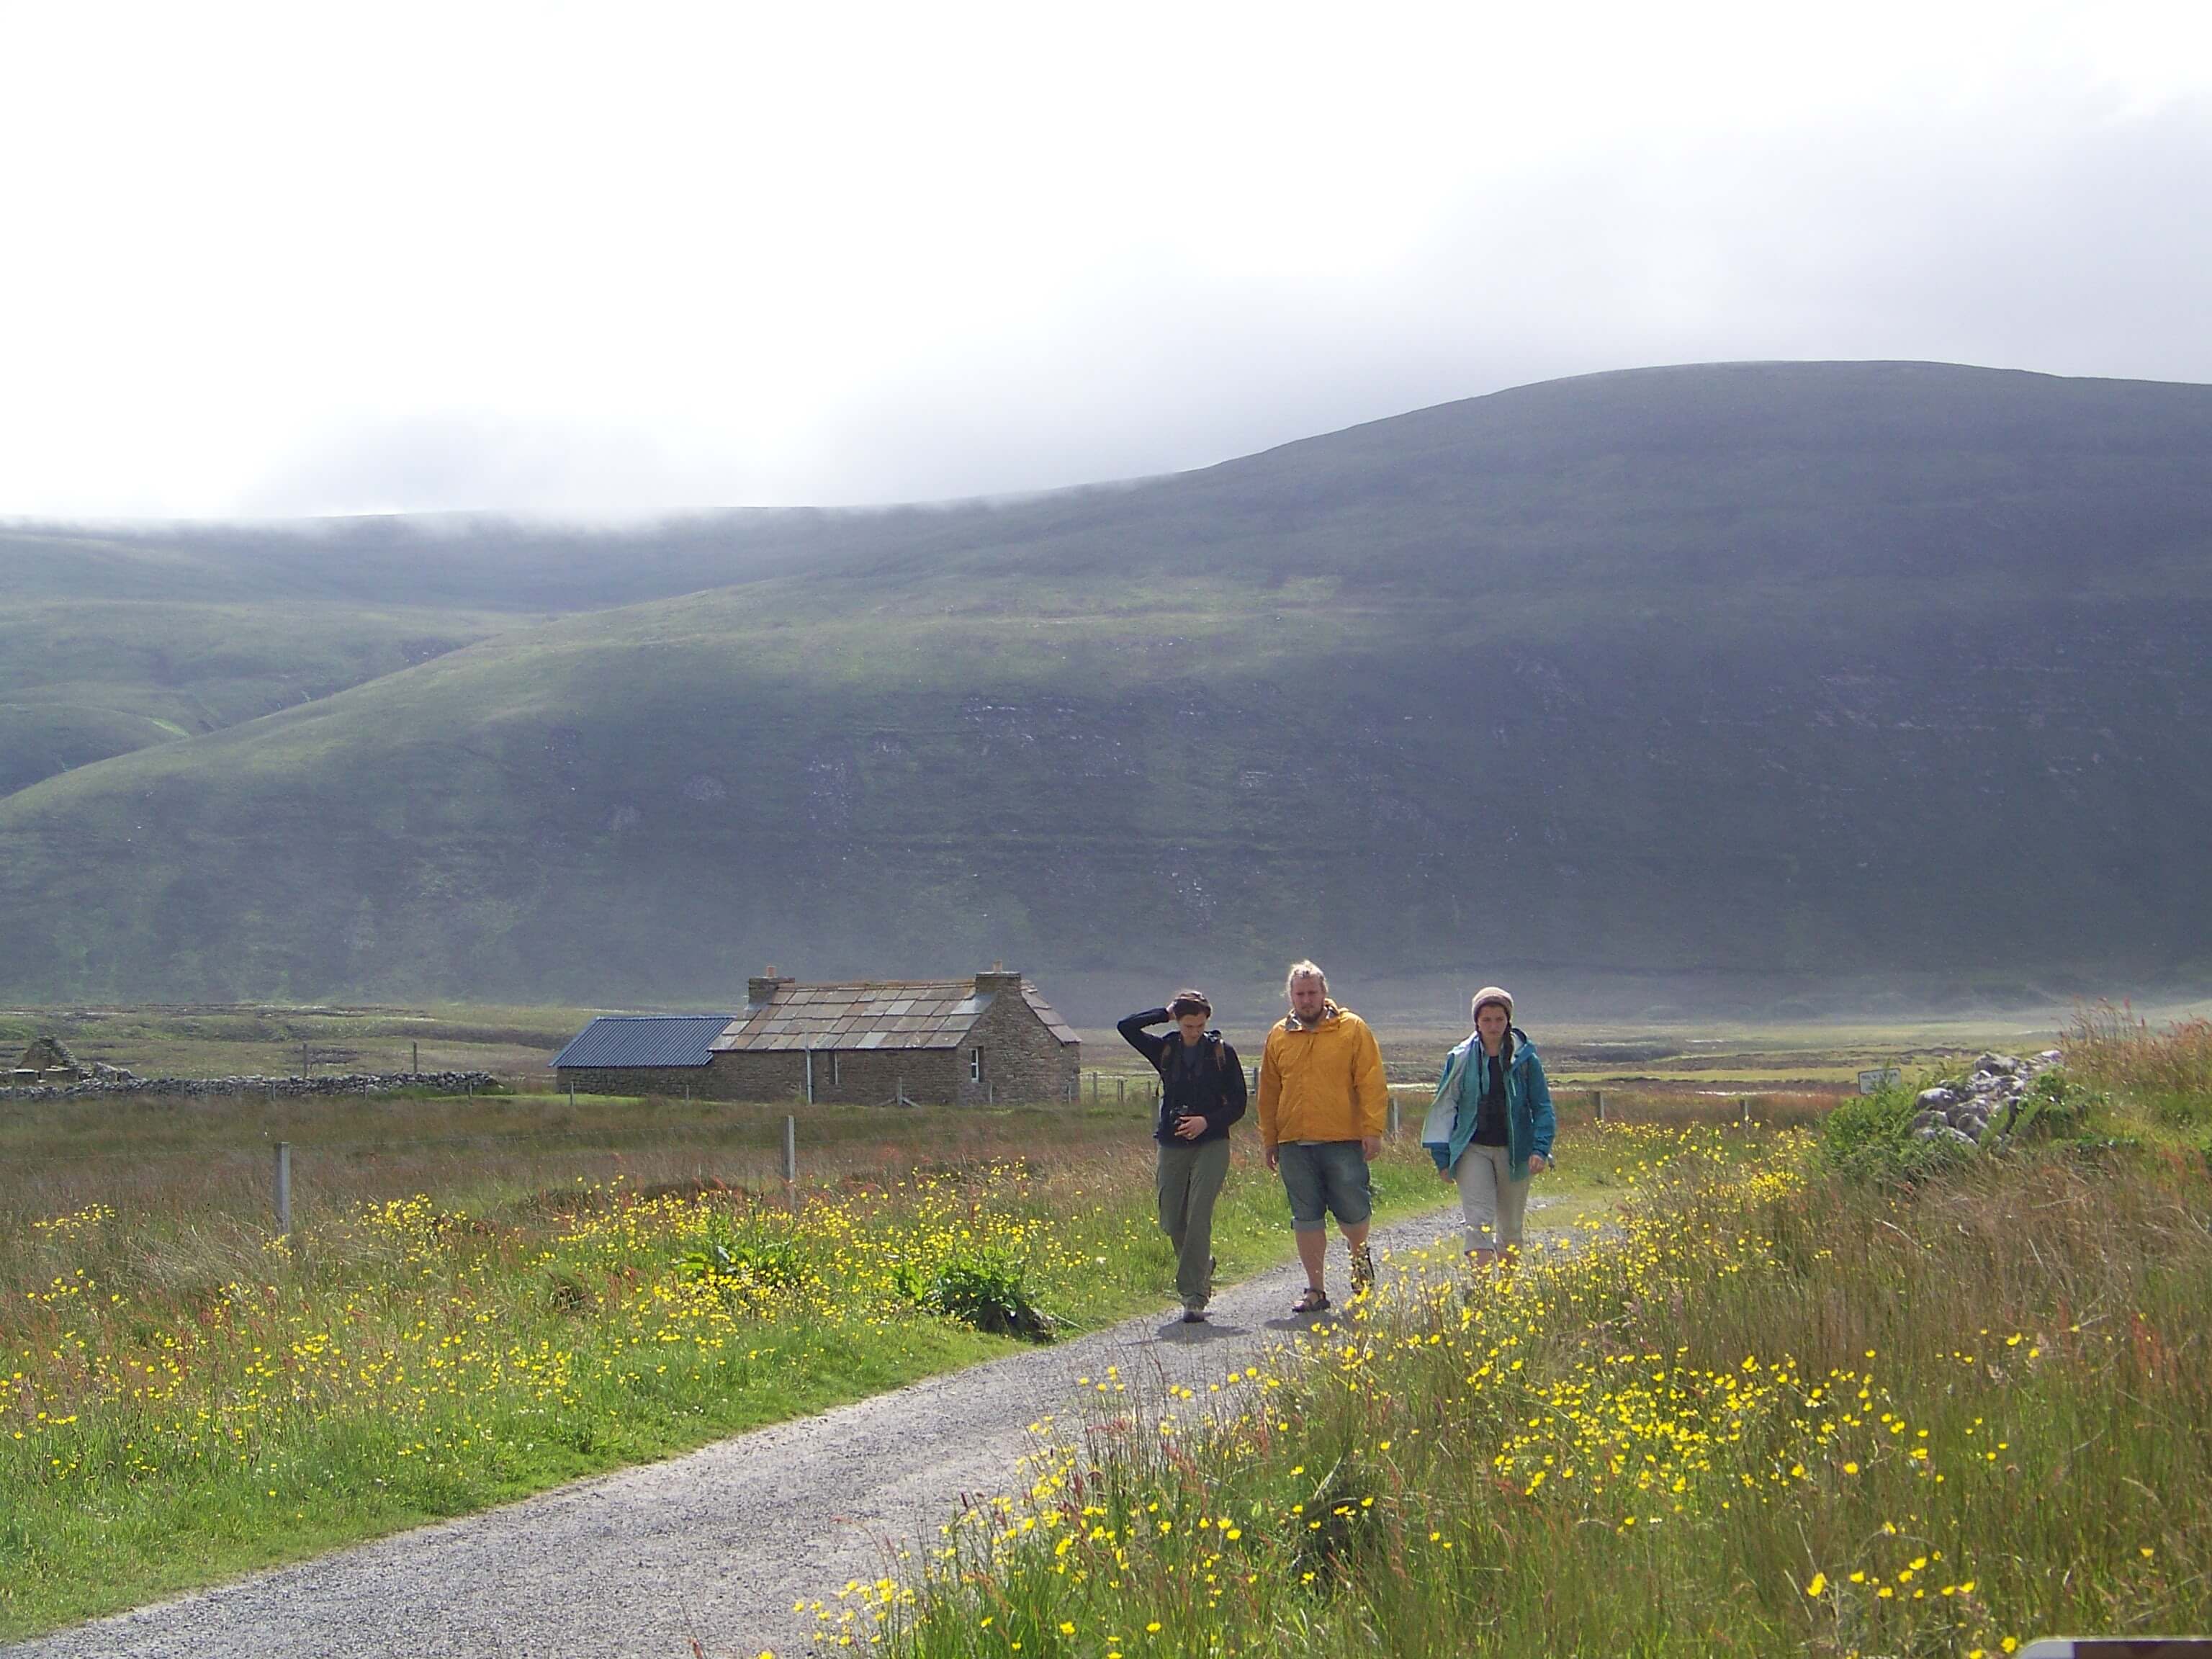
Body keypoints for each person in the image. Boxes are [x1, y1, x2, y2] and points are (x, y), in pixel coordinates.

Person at [1256, 960, 1389, 1316]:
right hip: (1293, 1142)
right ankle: (1316, 1289)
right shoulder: (1278, 1036)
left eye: (1312, 992)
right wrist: (1270, 1138)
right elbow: (1268, 1092)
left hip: (1343, 1139)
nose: (1307, 1000)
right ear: (1291, 996)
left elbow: (1371, 1082)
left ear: (1324, 992)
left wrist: (1373, 1130)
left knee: (1353, 1211)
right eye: (1300, 994)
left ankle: (1360, 1263)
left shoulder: (1353, 1029)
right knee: (1306, 1216)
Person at [1118, 989, 1247, 1323]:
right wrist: (1164, 1013)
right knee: (1172, 1220)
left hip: (1212, 1143)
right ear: (1180, 1021)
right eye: (1189, 1025)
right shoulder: (1165, 1050)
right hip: (1172, 1144)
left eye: (1200, 1025)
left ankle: (1193, 1296)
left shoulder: (1221, 1053)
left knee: (1199, 1213)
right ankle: (1202, 1266)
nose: (1194, 1032)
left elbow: (1239, 1104)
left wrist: (1207, 1121)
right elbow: (1126, 1027)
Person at [1420, 985, 1555, 1267]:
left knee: (1511, 1227)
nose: (1493, 1026)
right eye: (1486, 1020)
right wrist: (1443, 1158)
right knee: (1478, 1223)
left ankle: (1505, 1295)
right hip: (1473, 1149)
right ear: (1476, 1023)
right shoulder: (1460, 1059)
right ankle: (1481, 1295)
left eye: (1499, 1020)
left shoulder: (1526, 1060)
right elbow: (1445, 1107)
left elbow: (1542, 1107)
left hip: (1515, 1151)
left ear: (1509, 1021)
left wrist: (1540, 1150)